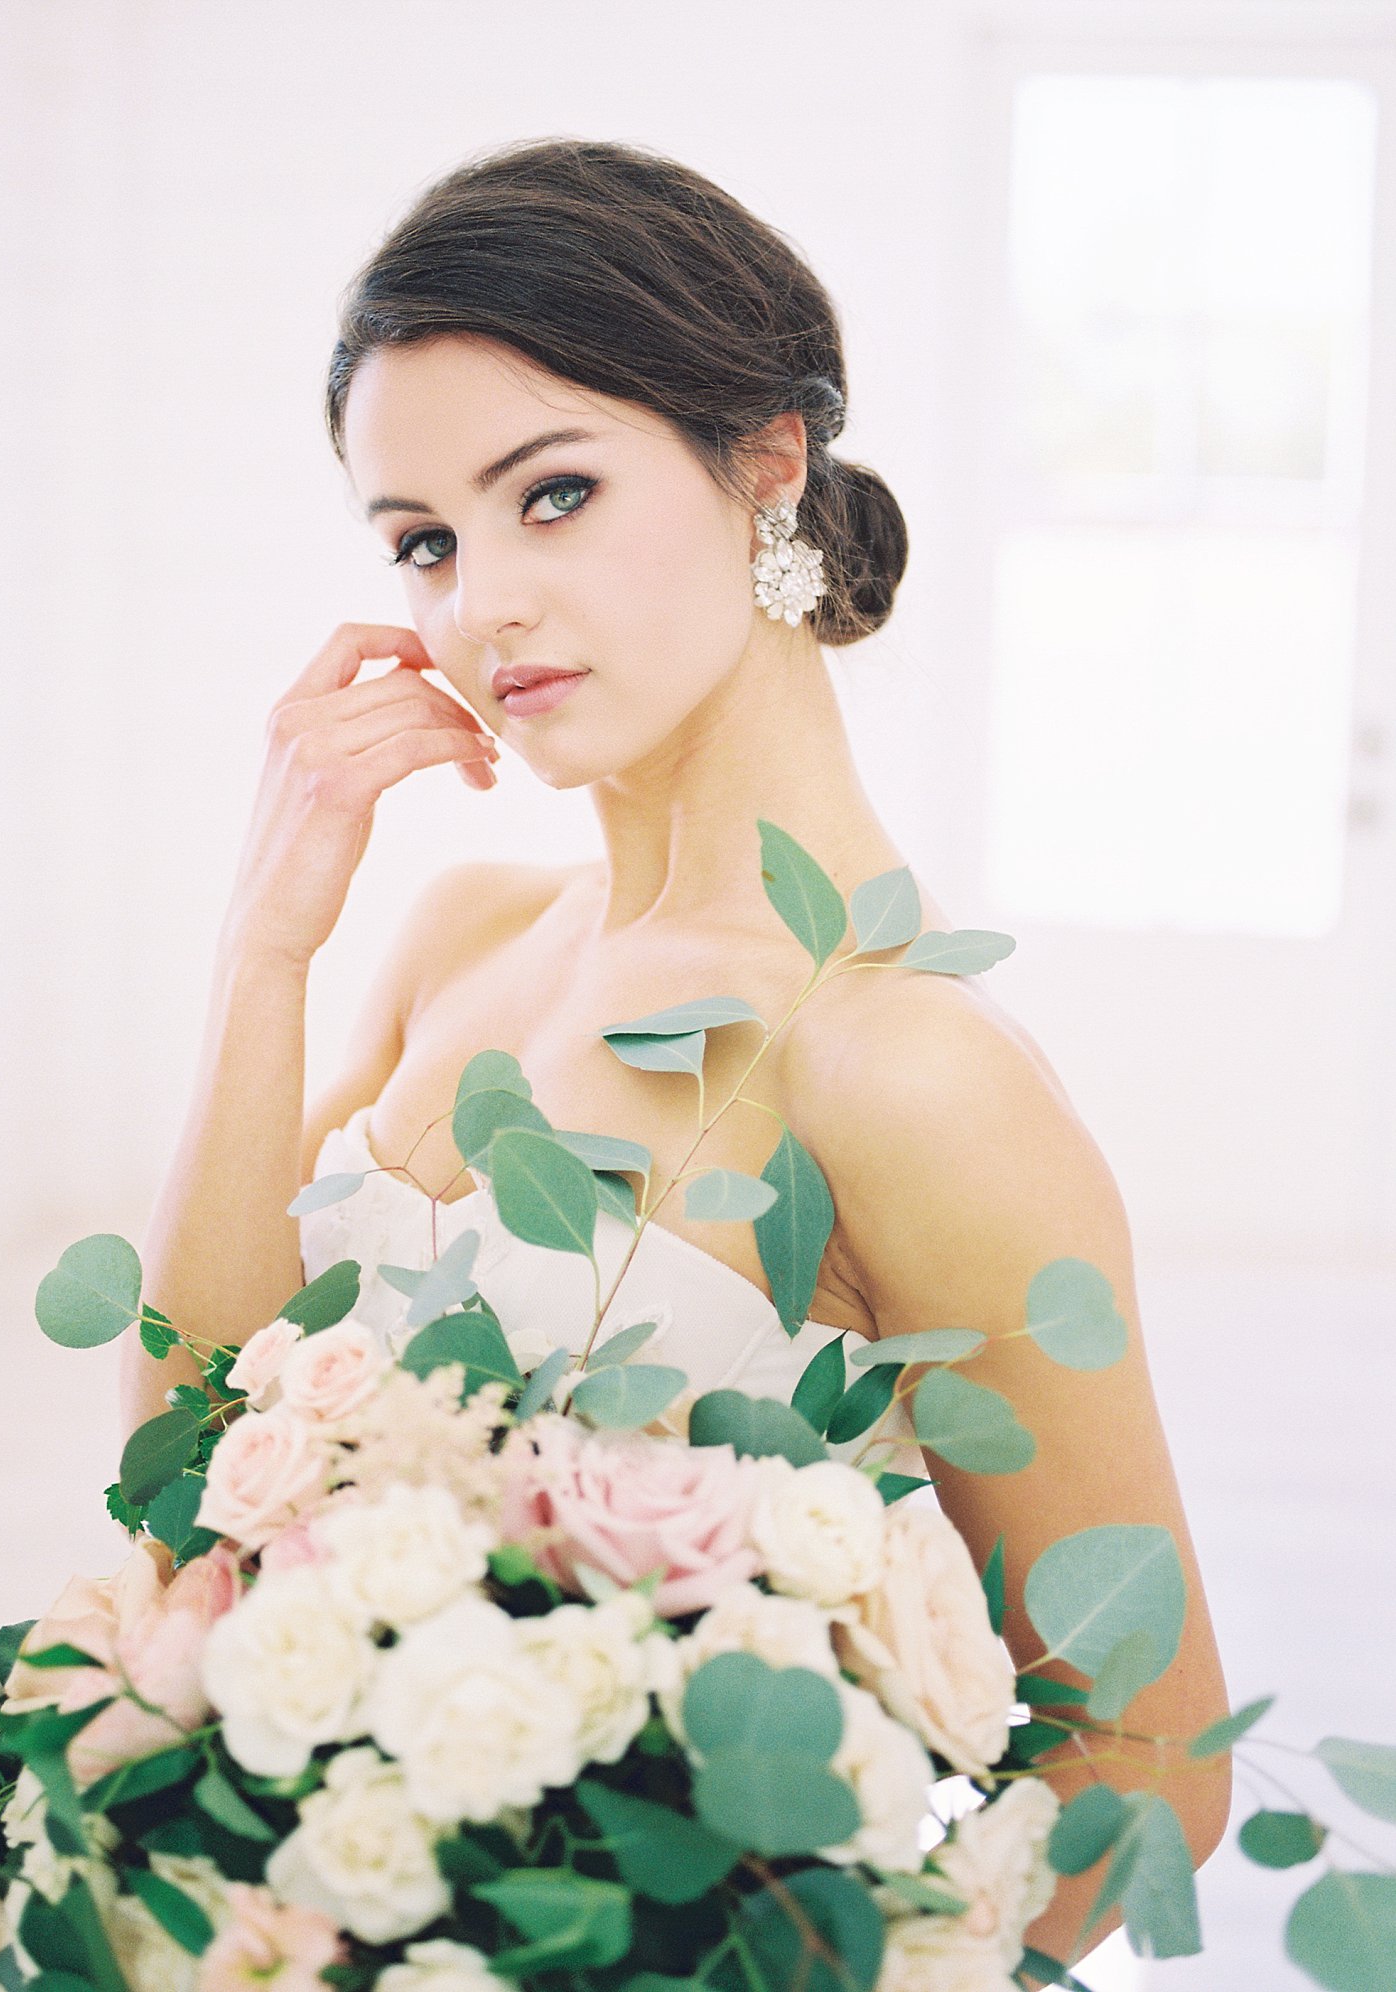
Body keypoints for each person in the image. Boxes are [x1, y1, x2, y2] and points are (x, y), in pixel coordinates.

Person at [123, 137, 1231, 1967]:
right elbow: (179, 1507)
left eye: (548, 495)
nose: (478, 604)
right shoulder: (463, 932)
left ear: (765, 464)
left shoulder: (903, 1069)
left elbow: (1157, 1758)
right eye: (422, 542)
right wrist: (267, 953)